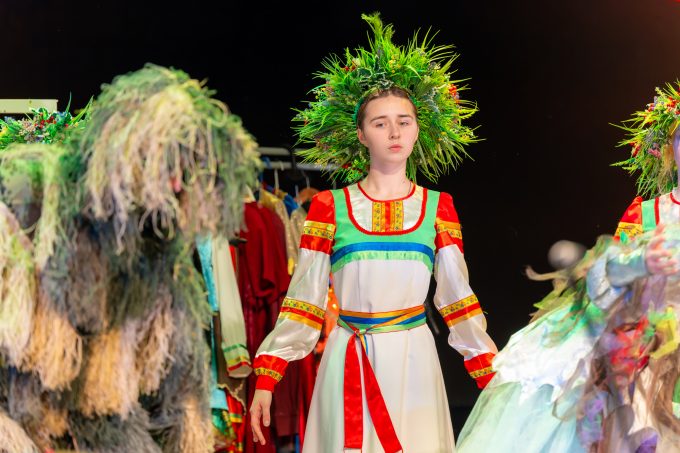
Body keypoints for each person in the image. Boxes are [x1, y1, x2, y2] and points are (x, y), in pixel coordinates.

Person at [248, 14, 498, 453]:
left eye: (404, 120)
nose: (394, 131)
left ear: (418, 128)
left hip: (414, 362)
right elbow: (305, 300)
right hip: (348, 355)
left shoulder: (438, 207)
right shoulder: (330, 206)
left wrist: (490, 374)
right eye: (380, 123)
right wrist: (269, 374)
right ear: (362, 135)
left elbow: (456, 298)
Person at [457, 82, 680, 453]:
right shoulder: (646, 214)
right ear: (670, 149)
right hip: (656, 348)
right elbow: (604, 284)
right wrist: (640, 263)